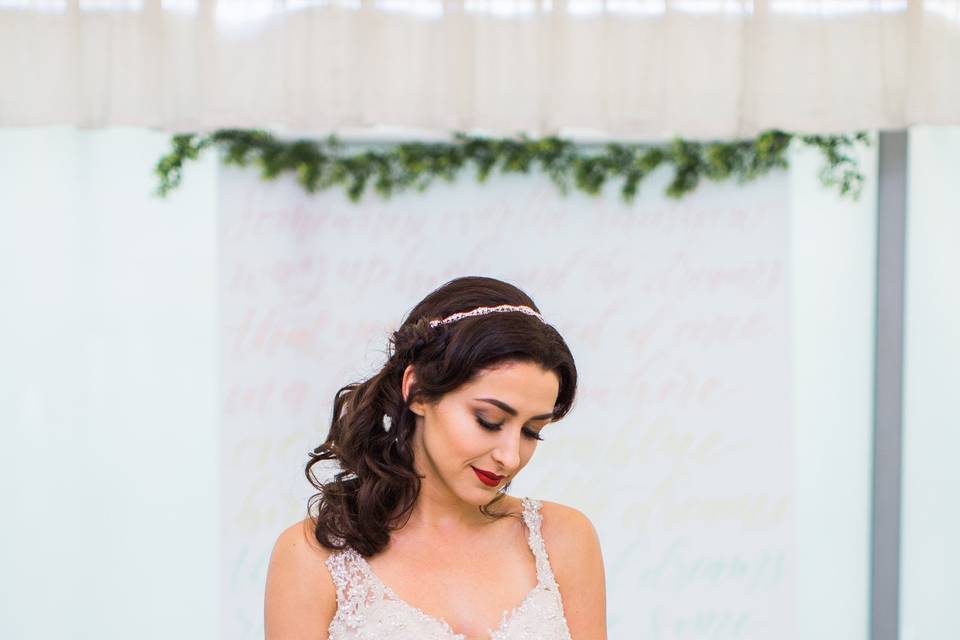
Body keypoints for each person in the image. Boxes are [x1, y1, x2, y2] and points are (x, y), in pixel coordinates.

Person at [264, 276, 606, 639]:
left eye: (530, 431)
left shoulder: (563, 539)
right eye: (488, 421)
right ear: (418, 391)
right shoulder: (313, 556)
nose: (509, 456)